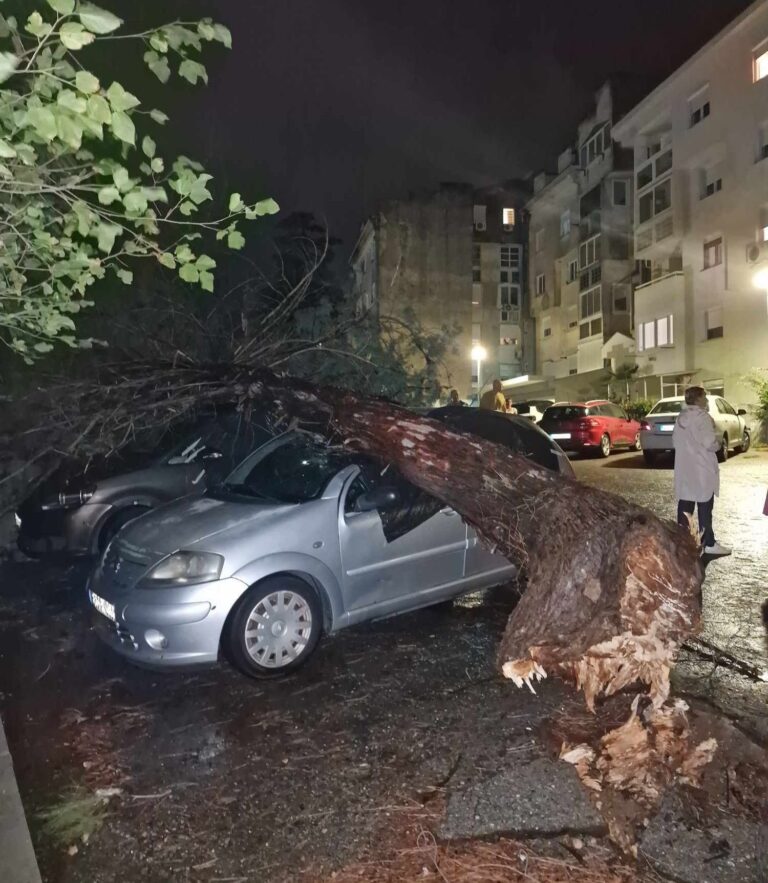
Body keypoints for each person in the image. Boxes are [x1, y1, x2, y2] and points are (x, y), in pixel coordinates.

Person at [673, 386, 731, 556]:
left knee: (686, 505)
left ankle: (684, 543)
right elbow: (709, 442)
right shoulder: (703, 418)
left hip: (685, 467)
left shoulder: (680, 418)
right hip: (702, 467)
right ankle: (708, 543)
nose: (706, 400)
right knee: (705, 505)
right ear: (698, 399)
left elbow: (676, 442)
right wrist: (718, 444)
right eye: (704, 397)